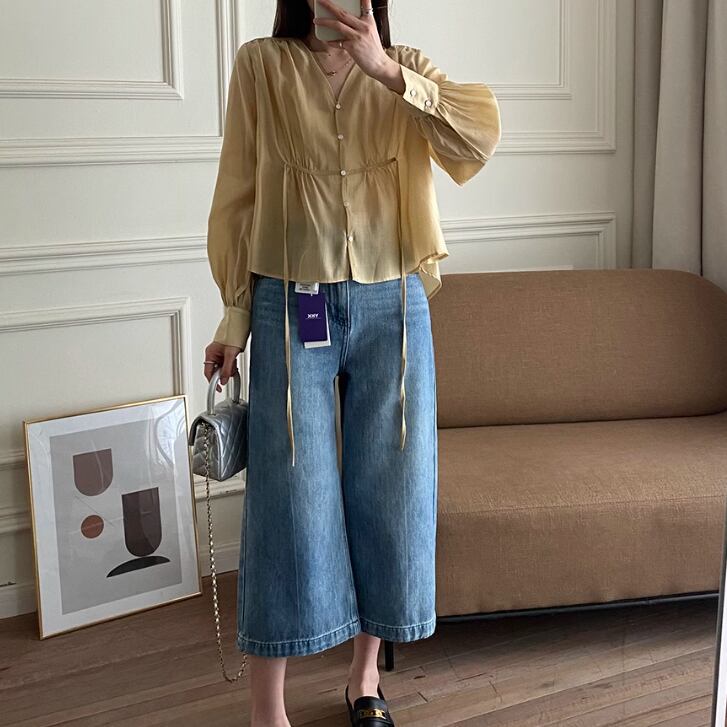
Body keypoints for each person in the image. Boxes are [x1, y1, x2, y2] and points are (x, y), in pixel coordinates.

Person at [203, 0, 501, 724]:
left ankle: (364, 679)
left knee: (392, 487)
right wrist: (235, 315)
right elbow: (237, 194)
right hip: (289, 298)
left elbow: (479, 137)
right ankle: (267, 708)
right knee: (286, 493)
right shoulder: (261, 65)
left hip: (391, 302)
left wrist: (385, 71)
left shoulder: (406, 68)